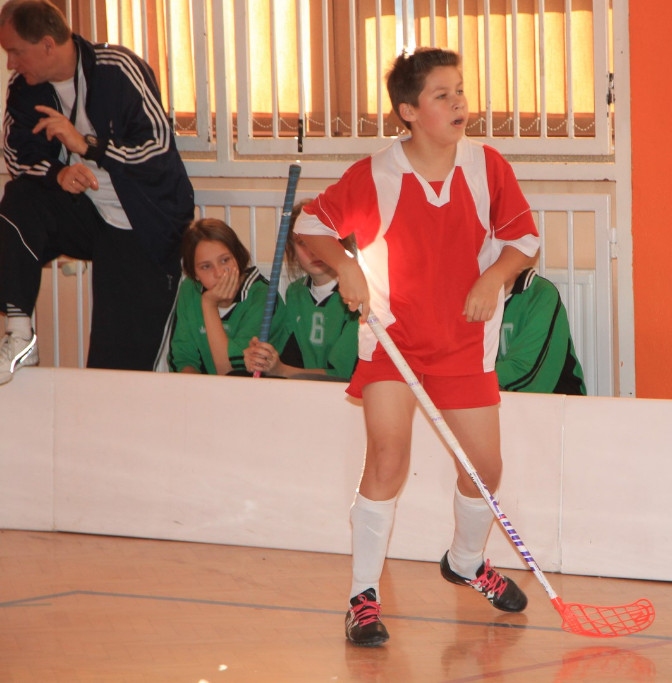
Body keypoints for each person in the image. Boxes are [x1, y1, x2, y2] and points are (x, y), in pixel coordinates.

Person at [292, 47, 539, 647]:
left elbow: (525, 239)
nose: (459, 103)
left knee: (484, 470)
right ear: (408, 111)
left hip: (463, 341)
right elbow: (310, 224)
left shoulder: (487, 166)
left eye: (460, 91)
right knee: (387, 459)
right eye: (441, 95)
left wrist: (492, 278)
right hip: (392, 340)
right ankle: (362, 598)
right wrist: (345, 265)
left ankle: (466, 561)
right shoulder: (375, 174)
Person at [0, 0, 194, 386]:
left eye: (16, 52)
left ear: (48, 44)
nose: (11, 64)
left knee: (114, 371)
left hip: (142, 224)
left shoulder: (117, 68)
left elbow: (156, 147)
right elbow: (16, 154)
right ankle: (19, 334)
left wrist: (87, 146)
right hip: (86, 213)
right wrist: (58, 173)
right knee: (19, 198)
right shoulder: (24, 89)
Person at [242, 200, 360, 381]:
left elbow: (341, 376)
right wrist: (261, 356)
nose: (313, 250)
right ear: (291, 250)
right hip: (304, 390)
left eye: (322, 240)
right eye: (302, 242)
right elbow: (285, 355)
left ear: (340, 241)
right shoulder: (295, 292)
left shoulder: (355, 293)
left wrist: (281, 370)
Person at [167, 218, 278, 376]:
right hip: (202, 388)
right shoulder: (190, 289)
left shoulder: (263, 296)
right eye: (206, 266)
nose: (219, 273)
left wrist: (209, 305)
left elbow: (231, 372)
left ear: (237, 257)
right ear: (194, 273)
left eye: (225, 260)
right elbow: (183, 359)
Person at [497, 266, 586, 395]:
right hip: (502, 398)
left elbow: (526, 373)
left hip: (556, 401)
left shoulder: (541, 294)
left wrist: (472, 376)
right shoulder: (472, 294)